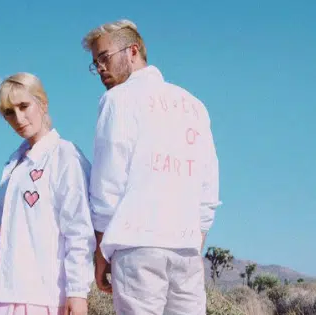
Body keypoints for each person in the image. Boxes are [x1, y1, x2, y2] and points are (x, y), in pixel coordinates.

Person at [81, 19, 222, 314]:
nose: (100, 69)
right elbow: (208, 186)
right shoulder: (194, 105)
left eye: (104, 57)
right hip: (186, 247)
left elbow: (108, 183)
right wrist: (196, 240)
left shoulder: (117, 99)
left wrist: (101, 253)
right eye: (95, 63)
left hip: (137, 244)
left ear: (132, 51)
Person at [0, 72, 96, 315]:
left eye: (23, 106)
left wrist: (78, 292)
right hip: (2, 291)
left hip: (44, 294)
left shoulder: (65, 156)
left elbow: (79, 228)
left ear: (43, 103)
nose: (18, 118)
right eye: (9, 112)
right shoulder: (13, 166)